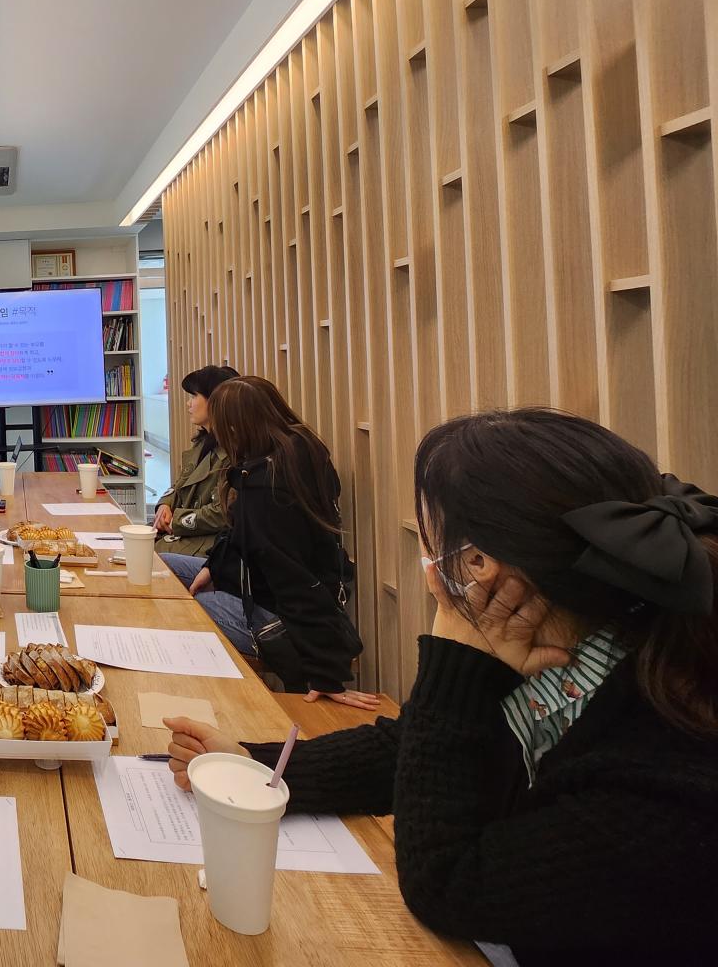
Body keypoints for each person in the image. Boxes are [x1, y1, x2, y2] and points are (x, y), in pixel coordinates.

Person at [165, 408, 718, 964]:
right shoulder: (590, 648)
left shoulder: (667, 769)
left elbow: (447, 881)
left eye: (433, 544)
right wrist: (254, 764)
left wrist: (453, 651)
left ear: (480, 566)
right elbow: (415, 747)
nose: (430, 566)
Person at [181, 376, 372, 707]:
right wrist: (214, 567)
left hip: (275, 614)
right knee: (164, 571)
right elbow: (243, 537)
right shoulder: (285, 454)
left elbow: (295, 580)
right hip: (255, 584)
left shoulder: (268, 490)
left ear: (235, 428)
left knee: (175, 607)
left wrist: (325, 673)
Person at [155, 366, 238, 573]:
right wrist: (165, 505)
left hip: (205, 544)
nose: (188, 403)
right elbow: (179, 485)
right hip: (185, 536)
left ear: (215, 401)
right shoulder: (203, 443)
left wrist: (176, 520)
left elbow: (223, 513)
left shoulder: (234, 452)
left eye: (194, 396)